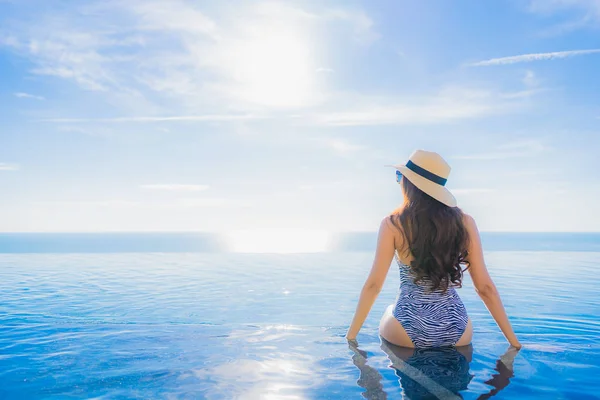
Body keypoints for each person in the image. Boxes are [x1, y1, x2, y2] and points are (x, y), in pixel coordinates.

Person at [346, 150, 521, 349]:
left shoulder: (393, 224)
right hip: (457, 328)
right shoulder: (465, 222)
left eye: (400, 177)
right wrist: (514, 344)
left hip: (407, 328)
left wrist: (350, 338)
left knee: (389, 310)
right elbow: (485, 288)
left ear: (409, 184)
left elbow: (374, 286)